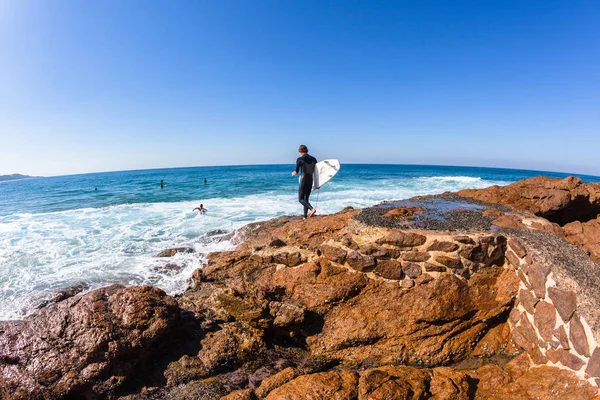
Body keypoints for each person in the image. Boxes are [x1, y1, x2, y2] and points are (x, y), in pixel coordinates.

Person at [292, 144, 318, 218]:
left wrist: (293, 173)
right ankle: (305, 216)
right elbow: (317, 173)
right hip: (310, 179)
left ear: (300, 151)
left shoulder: (299, 159)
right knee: (306, 199)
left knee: (301, 199)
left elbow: (296, 172)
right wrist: (317, 184)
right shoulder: (314, 159)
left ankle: (312, 209)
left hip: (304, 179)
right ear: (307, 150)